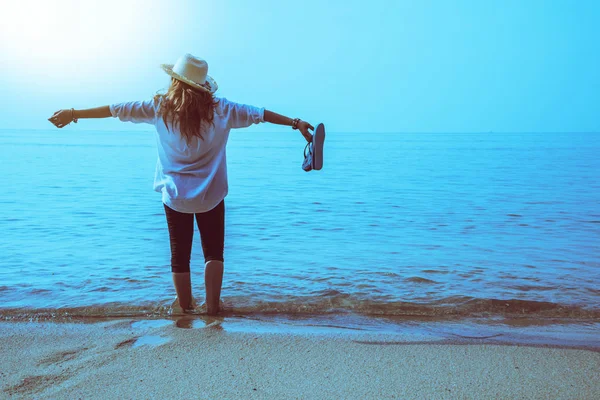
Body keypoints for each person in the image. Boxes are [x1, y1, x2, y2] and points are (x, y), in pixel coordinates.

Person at [48, 53, 320, 316]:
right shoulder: (222, 109)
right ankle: (213, 308)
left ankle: (185, 306)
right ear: (202, 86)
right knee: (213, 252)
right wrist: (295, 123)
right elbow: (259, 114)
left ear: (175, 81)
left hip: (175, 196)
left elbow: (115, 110)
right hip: (210, 195)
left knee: (180, 254)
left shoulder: (159, 108)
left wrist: (73, 113)